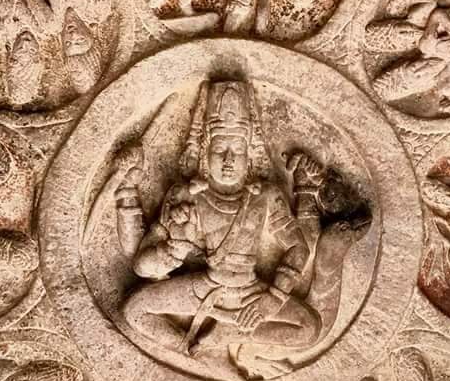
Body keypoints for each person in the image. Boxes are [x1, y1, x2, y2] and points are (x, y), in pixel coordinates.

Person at [118, 79, 321, 361]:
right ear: (204, 152)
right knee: (134, 310)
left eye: (237, 150)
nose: (228, 159)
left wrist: (273, 298)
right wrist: (175, 248)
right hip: (204, 288)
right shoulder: (185, 195)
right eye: (219, 149)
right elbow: (142, 266)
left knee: (310, 329)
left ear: (250, 155)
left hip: (251, 291)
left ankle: (229, 336)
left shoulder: (266, 195)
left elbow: (299, 247)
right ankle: (189, 349)